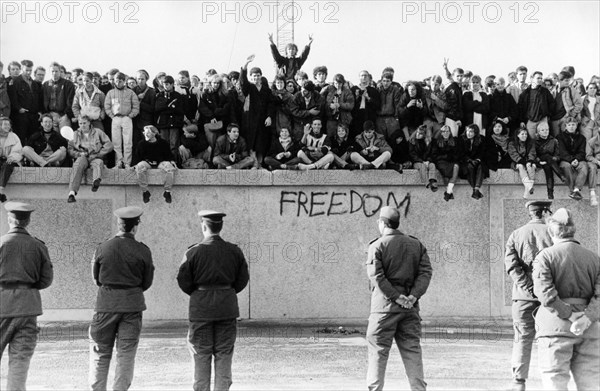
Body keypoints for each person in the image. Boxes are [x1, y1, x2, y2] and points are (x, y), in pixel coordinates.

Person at [177, 210, 250, 391]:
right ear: (221, 226)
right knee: (224, 354)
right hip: (227, 307)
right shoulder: (234, 251)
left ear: (203, 226)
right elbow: (242, 280)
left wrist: (200, 294)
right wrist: (226, 292)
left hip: (201, 309)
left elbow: (183, 281)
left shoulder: (193, 252)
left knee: (201, 355)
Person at [532, 208, 600, 390]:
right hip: (590, 329)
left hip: (555, 328)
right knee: (591, 383)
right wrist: (586, 318)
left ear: (551, 232)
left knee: (555, 381)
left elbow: (545, 293)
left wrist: (570, 316)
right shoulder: (594, 258)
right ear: (573, 230)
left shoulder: (544, 257)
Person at [366, 206, 432, 391]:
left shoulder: (377, 246)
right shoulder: (415, 244)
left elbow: (377, 277)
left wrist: (396, 297)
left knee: (378, 351)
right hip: (410, 308)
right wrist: (412, 296)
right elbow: (425, 272)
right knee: (412, 350)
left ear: (382, 223)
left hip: (383, 310)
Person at [89, 206, 154, 391]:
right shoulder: (143, 251)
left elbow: (96, 279)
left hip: (105, 306)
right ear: (136, 226)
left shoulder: (102, 247)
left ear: (119, 224)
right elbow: (147, 282)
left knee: (100, 354)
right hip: (132, 307)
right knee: (126, 354)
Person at [0, 202, 53, 390]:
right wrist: (28, 287)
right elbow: (46, 280)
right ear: (28, 221)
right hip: (28, 308)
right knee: (19, 363)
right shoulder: (38, 246)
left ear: (9, 219)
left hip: (2, 305)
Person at [504, 200, 553, 391]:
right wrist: (543, 289)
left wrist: (529, 288)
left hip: (523, 297)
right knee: (550, 339)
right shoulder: (555, 233)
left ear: (531, 214)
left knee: (522, 338)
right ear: (546, 211)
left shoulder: (516, 234)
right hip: (550, 296)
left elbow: (512, 267)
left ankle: (518, 382)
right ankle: (551, 380)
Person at [67, 115, 114, 202]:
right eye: (80, 123)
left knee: (99, 163)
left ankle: (96, 182)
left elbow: (109, 145)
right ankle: (72, 193)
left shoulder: (98, 132)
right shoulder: (75, 134)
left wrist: (99, 154)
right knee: (78, 164)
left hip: (95, 156)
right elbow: (70, 149)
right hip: (82, 157)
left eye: (84, 123)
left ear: (89, 123)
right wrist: (78, 154)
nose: (82, 125)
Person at [240, 55, 274, 165]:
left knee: (261, 143)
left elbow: (270, 104)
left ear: (261, 76)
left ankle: (259, 164)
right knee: (252, 143)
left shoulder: (266, 90)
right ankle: (254, 164)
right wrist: (245, 65)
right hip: (251, 121)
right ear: (251, 77)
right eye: (254, 76)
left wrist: (269, 116)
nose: (256, 78)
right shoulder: (249, 87)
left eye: (258, 76)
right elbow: (243, 81)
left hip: (263, 121)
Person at [131, 125, 177, 203]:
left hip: (160, 162)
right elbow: (137, 157)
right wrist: (134, 165)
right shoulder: (141, 144)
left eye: (148, 133)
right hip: (147, 162)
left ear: (154, 133)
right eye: (145, 133)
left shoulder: (163, 142)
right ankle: (145, 192)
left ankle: (167, 191)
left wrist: (172, 161)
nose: (146, 135)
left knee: (170, 168)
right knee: (139, 167)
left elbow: (168, 154)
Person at [104, 72, 140, 168]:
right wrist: (112, 116)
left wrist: (130, 116)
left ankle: (127, 163)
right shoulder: (110, 93)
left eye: (121, 81)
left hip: (127, 118)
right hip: (115, 118)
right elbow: (107, 106)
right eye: (116, 80)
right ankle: (118, 162)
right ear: (114, 81)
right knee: (116, 142)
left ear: (124, 81)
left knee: (128, 142)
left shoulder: (131, 92)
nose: (119, 82)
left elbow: (136, 106)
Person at [557, 117, 588, 201]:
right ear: (566, 126)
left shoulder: (582, 138)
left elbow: (582, 152)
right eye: (569, 125)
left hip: (578, 160)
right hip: (565, 160)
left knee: (584, 166)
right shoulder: (560, 137)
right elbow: (562, 152)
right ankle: (572, 190)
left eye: (573, 125)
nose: (571, 127)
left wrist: (576, 159)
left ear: (576, 125)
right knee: (566, 166)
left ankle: (577, 189)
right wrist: (571, 160)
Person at [517, 71, 554, 140]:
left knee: (544, 139)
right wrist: (522, 120)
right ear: (532, 79)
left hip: (542, 119)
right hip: (530, 120)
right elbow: (520, 107)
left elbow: (552, 103)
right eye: (538, 78)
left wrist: (547, 114)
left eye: (541, 78)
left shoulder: (545, 91)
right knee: (531, 140)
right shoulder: (525, 93)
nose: (540, 80)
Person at [155, 75, 185, 159]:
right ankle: (164, 161)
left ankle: (174, 161)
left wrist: (166, 108)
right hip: (163, 123)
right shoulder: (159, 95)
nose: (165, 86)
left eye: (167, 84)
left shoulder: (178, 96)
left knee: (174, 144)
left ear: (172, 84)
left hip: (174, 123)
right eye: (164, 84)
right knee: (164, 144)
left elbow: (180, 110)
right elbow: (157, 108)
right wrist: (170, 107)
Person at [430, 125, 460, 201]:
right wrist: (445, 156)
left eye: (447, 131)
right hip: (441, 162)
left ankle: (448, 192)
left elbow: (457, 154)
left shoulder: (454, 141)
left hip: (452, 161)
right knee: (446, 174)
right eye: (444, 131)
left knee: (456, 166)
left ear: (450, 132)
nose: (446, 133)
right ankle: (449, 192)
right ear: (441, 133)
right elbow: (434, 155)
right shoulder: (436, 142)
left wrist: (451, 157)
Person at [42, 62, 75, 131]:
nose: (54, 73)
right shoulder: (45, 85)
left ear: (60, 71)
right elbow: (43, 100)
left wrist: (67, 114)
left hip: (64, 116)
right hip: (51, 115)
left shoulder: (68, 84)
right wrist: (46, 114)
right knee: (54, 137)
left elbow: (71, 101)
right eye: (52, 71)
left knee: (65, 136)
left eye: (56, 71)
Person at [535, 122, 564, 200]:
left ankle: (550, 194)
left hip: (551, 162)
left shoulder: (554, 140)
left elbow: (558, 155)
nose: (545, 131)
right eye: (543, 130)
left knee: (548, 167)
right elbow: (533, 155)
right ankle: (561, 175)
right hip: (541, 162)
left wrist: (553, 159)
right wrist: (539, 161)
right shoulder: (535, 142)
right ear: (538, 132)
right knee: (547, 157)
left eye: (547, 130)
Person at [459, 124, 487, 200]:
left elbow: (482, 152)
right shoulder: (461, 139)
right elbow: (460, 153)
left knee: (481, 167)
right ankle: (476, 190)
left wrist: (478, 159)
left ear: (475, 133)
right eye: (467, 131)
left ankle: (476, 189)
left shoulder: (481, 139)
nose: (468, 133)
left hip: (477, 160)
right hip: (465, 161)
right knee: (469, 167)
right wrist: (469, 160)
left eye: (471, 132)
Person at [321, 74, 355, 138]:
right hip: (331, 119)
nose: (338, 85)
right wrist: (329, 105)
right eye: (336, 83)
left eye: (340, 83)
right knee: (330, 137)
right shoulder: (328, 89)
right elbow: (321, 101)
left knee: (343, 137)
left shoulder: (347, 91)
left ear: (343, 83)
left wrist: (340, 104)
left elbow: (351, 105)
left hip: (344, 119)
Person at [508, 126, 537, 198]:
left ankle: (528, 189)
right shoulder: (512, 143)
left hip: (529, 161)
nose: (525, 136)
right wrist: (524, 162)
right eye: (522, 134)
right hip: (517, 161)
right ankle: (530, 187)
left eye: (526, 134)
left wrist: (529, 161)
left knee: (532, 166)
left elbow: (532, 153)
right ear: (518, 135)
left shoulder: (531, 142)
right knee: (521, 166)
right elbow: (514, 154)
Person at [0, 117, 23, 202]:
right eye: (5, 124)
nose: (7, 126)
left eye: (8, 124)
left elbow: (18, 151)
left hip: (10, 159)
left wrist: (12, 157)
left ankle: (1, 190)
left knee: (7, 165)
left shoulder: (13, 136)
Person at [409, 125, 437, 191]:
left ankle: (432, 181)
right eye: (417, 132)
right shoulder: (412, 141)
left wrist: (428, 161)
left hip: (426, 161)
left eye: (421, 134)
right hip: (417, 162)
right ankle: (427, 183)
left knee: (432, 165)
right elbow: (412, 155)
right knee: (422, 166)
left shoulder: (428, 142)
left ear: (424, 135)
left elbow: (432, 154)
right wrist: (422, 161)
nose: (418, 134)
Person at [586, 133, 600, 206]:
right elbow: (588, 156)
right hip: (595, 161)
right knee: (592, 167)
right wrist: (597, 162)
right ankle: (592, 194)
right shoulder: (592, 141)